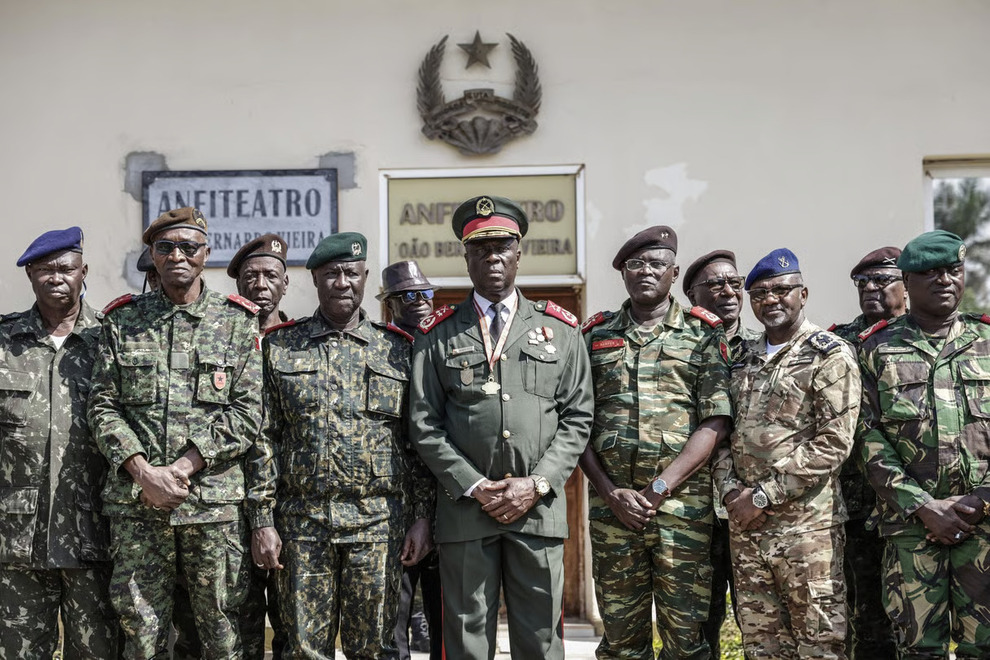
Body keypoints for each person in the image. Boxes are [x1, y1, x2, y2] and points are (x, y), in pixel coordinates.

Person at [410, 195, 593, 659]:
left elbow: (578, 417)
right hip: (466, 512)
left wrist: (537, 483)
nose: (492, 258)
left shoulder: (561, 329)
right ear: (466, 257)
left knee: (541, 641)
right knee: (466, 639)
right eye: (481, 249)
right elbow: (424, 422)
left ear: (518, 254)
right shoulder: (437, 333)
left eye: (502, 248)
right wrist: (473, 485)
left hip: (538, 511)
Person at [247, 232, 435, 659]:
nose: (342, 282)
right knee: (303, 651)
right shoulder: (280, 347)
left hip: (378, 526)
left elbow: (417, 445)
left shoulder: (398, 351)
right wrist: (262, 520)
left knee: (374, 650)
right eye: (332, 274)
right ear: (314, 279)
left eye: (351, 273)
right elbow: (263, 440)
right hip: (301, 525)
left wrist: (423, 517)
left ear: (365, 277)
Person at [88, 207, 263, 659]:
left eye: (189, 246)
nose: (177, 256)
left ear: (206, 253)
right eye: (165, 247)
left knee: (221, 633)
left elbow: (247, 412)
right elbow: (102, 406)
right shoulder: (122, 321)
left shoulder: (236, 321)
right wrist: (145, 474)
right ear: (153, 256)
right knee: (141, 634)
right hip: (138, 507)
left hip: (212, 508)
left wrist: (183, 467)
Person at [579, 228, 733, 659]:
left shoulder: (703, 333)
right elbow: (575, 424)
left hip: (682, 513)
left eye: (656, 264)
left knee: (686, 642)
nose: (646, 271)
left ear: (674, 273)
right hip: (613, 515)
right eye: (635, 264)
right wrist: (610, 493)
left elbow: (715, 422)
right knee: (620, 643)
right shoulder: (594, 336)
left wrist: (658, 489)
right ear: (623, 273)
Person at [713, 248, 860, 659]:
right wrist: (731, 493)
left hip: (807, 530)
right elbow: (722, 434)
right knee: (761, 646)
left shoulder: (829, 354)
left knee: (820, 644)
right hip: (747, 530)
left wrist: (763, 496)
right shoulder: (740, 357)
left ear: (803, 294)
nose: (771, 300)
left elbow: (834, 441)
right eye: (760, 293)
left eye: (781, 290)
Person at [857, 230, 990, 659]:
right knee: (917, 650)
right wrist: (922, 506)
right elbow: (865, 436)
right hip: (911, 530)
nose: (945, 280)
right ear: (907, 282)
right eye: (931, 272)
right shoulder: (876, 349)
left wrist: (982, 499)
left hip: (985, 528)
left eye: (953, 270)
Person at [0, 227, 118, 658]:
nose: (56, 277)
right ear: (30, 275)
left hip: (95, 534)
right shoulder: (5, 341)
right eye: (45, 269)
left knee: (98, 651)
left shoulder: (112, 339)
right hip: (17, 537)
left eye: (66, 269)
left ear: (83, 272)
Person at [830, 247, 905, 659]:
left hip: (916, 503)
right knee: (863, 613)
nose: (870, 288)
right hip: (857, 504)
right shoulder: (838, 341)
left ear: (907, 285)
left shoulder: (926, 333)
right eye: (863, 282)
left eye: (882, 279)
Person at [682, 249, 758, 658]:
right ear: (692, 295)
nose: (728, 291)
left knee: (761, 624)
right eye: (715, 284)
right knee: (697, 625)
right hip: (693, 509)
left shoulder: (764, 347)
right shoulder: (680, 349)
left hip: (753, 508)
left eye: (735, 282)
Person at [378, 260, 443, 660]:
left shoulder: (447, 343)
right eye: (406, 295)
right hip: (395, 506)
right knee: (393, 621)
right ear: (390, 304)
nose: (419, 301)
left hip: (449, 502)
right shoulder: (380, 348)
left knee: (447, 620)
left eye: (425, 293)